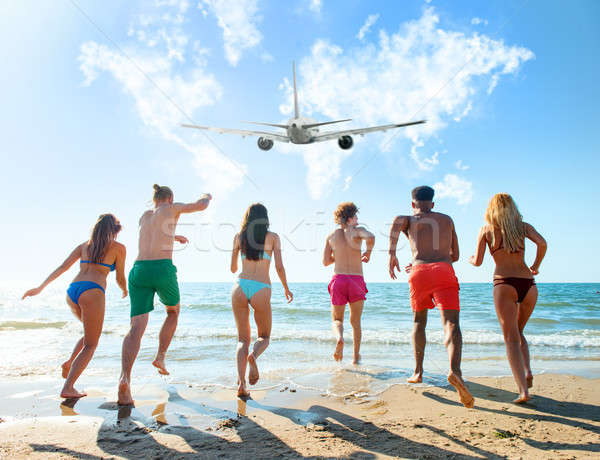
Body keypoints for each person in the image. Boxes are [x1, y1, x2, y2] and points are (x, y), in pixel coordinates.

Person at [118, 184, 212, 406]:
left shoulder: (144, 216)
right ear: (169, 198)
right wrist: (207, 195)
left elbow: (155, 234)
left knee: (136, 327)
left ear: (155, 199)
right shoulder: (172, 208)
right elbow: (200, 206)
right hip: (162, 268)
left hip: (138, 270)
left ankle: (125, 380)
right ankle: (160, 357)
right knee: (172, 312)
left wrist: (175, 235)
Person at [22, 214, 127, 398]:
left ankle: (70, 362)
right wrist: (125, 290)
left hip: (73, 291)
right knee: (92, 344)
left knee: (88, 336)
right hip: (92, 291)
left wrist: (40, 288)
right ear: (115, 230)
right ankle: (68, 387)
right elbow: (119, 277)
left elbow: (62, 268)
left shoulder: (84, 246)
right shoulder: (118, 248)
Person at [388, 186, 474, 408]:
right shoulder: (447, 219)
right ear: (433, 203)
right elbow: (456, 254)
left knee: (419, 322)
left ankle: (418, 372)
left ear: (413, 203)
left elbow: (397, 224)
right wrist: (440, 262)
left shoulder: (407, 218)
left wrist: (392, 255)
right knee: (452, 323)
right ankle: (456, 372)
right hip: (444, 270)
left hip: (418, 272)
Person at [469, 193, 546, 404]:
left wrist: (469, 260)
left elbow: (478, 262)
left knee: (511, 338)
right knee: (519, 331)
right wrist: (536, 266)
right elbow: (542, 243)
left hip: (504, 284)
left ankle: (523, 390)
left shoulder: (486, 230)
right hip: (529, 285)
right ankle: (527, 370)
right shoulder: (523, 227)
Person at [231, 203, 293, 397]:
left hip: (240, 286)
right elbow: (279, 267)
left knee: (242, 339)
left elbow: (233, 268)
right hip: (262, 288)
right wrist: (286, 287)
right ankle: (254, 356)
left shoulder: (239, 237)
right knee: (264, 337)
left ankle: (241, 386)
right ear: (265, 218)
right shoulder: (273, 238)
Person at [323, 202, 375, 365]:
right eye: (356, 217)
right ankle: (355, 356)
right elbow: (371, 237)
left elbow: (325, 261)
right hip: (356, 280)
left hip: (338, 279)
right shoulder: (358, 231)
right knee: (356, 322)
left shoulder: (331, 236)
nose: (358, 220)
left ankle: (339, 338)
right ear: (350, 217)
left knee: (337, 319)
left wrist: (338, 257)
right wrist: (368, 251)